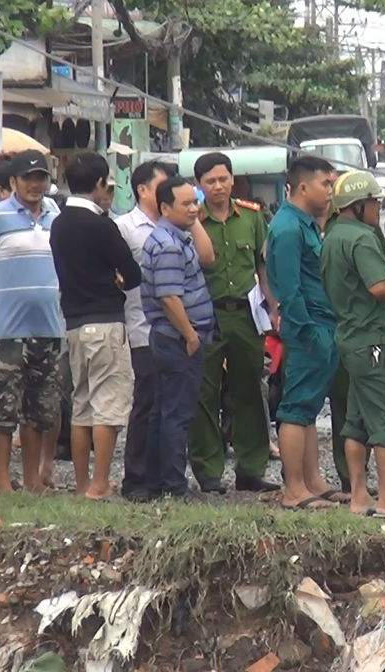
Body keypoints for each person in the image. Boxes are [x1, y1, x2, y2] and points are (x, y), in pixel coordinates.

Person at [320, 171, 385, 519]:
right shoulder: (362, 239)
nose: (377, 209)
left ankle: (359, 496)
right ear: (359, 205)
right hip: (375, 341)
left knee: (357, 421)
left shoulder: (333, 235)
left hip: (352, 340)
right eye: (374, 203)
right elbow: (379, 287)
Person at [50, 152, 143, 500]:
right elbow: (132, 273)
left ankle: (81, 482)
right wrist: (117, 278)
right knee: (108, 403)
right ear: (100, 183)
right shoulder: (102, 224)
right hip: (105, 319)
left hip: (74, 321)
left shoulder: (59, 223)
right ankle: (100, 482)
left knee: (82, 403)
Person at [0, 149, 64, 493]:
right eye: (28, 178)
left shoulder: (56, 214)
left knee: (40, 411)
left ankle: (32, 480)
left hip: (49, 326)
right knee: (2, 409)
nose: (35, 184)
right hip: (8, 328)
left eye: (41, 178)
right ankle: (2, 480)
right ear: (13, 182)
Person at [188, 152, 276, 494]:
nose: (218, 186)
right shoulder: (192, 219)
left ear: (232, 179)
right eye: (210, 181)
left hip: (245, 314)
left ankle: (251, 469)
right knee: (203, 391)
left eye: (223, 179)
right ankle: (208, 471)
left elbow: (263, 265)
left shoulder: (252, 217)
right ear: (199, 186)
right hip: (205, 314)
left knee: (251, 390)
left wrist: (273, 307)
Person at [266, 156, 346, 509]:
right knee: (296, 408)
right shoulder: (287, 228)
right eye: (325, 184)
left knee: (309, 407)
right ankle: (294, 488)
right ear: (303, 187)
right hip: (307, 328)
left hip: (322, 323)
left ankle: (312, 481)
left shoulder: (307, 223)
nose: (330, 191)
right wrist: (308, 332)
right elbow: (289, 289)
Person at [141, 178, 215, 501]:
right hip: (178, 339)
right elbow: (170, 298)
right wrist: (190, 336)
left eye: (195, 202)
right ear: (165, 208)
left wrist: (193, 219)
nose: (194, 208)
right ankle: (174, 485)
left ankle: (160, 482)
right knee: (176, 414)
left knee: (164, 411)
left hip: (175, 338)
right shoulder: (168, 244)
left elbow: (207, 256)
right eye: (185, 204)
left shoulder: (176, 236)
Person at [115, 160, 175, 501]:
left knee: (171, 403)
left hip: (174, 328)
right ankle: (136, 477)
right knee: (146, 402)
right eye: (161, 186)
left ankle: (165, 474)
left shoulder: (176, 224)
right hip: (140, 327)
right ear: (142, 190)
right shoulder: (125, 227)